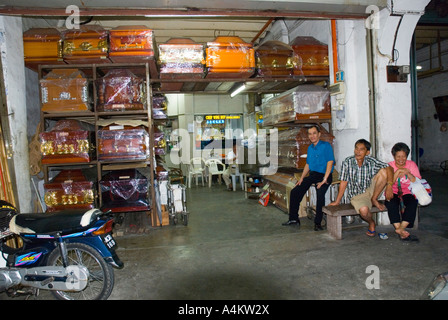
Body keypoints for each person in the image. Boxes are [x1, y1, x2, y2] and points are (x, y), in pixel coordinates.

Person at [329, 139, 394, 237]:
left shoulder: (371, 161)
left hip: (371, 190)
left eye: (361, 149)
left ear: (367, 152)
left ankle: (374, 199)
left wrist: (389, 186)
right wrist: (337, 201)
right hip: (357, 195)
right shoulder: (348, 162)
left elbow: (389, 168)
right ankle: (371, 223)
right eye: (356, 148)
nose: (357, 152)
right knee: (364, 211)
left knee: (384, 171)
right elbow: (343, 182)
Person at [282, 125, 335, 231]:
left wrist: (324, 179)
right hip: (313, 175)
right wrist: (301, 178)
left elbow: (330, 162)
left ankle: (318, 223)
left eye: (314, 133)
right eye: (310, 134)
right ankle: (293, 219)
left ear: (319, 134)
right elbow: (308, 165)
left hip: (325, 175)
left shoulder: (326, 146)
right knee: (295, 191)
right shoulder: (310, 148)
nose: (312, 136)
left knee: (320, 194)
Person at [385, 142, 420, 242]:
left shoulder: (411, 165)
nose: (401, 159)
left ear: (407, 156)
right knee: (391, 203)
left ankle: (401, 229)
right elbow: (388, 183)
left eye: (403, 157)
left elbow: (416, 181)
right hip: (393, 191)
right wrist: (397, 172)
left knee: (413, 202)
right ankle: (399, 230)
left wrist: (408, 173)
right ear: (394, 156)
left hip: (408, 191)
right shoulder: (389, 166)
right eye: (398, 156)